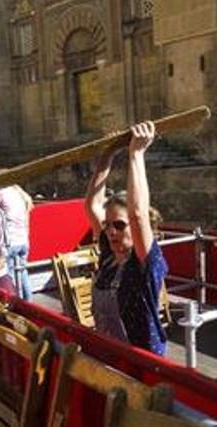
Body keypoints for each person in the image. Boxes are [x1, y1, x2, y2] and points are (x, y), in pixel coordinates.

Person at [84, 122, 168, 356]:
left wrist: (136, 153)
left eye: (119, 226)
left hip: (142, 363)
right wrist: (107, 154)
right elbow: (92, 205)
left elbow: (137, 214)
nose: (111, 231)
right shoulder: (110, 256)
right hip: (109, 354)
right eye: (108, 225)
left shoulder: (145, 263)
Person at [0, 177, 35, 301]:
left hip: (9, 241)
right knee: (23, 272)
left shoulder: (0, 193)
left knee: (7, 274)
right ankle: (29, 303)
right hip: (23, 240)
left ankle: (15, 305)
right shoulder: (18, 194)